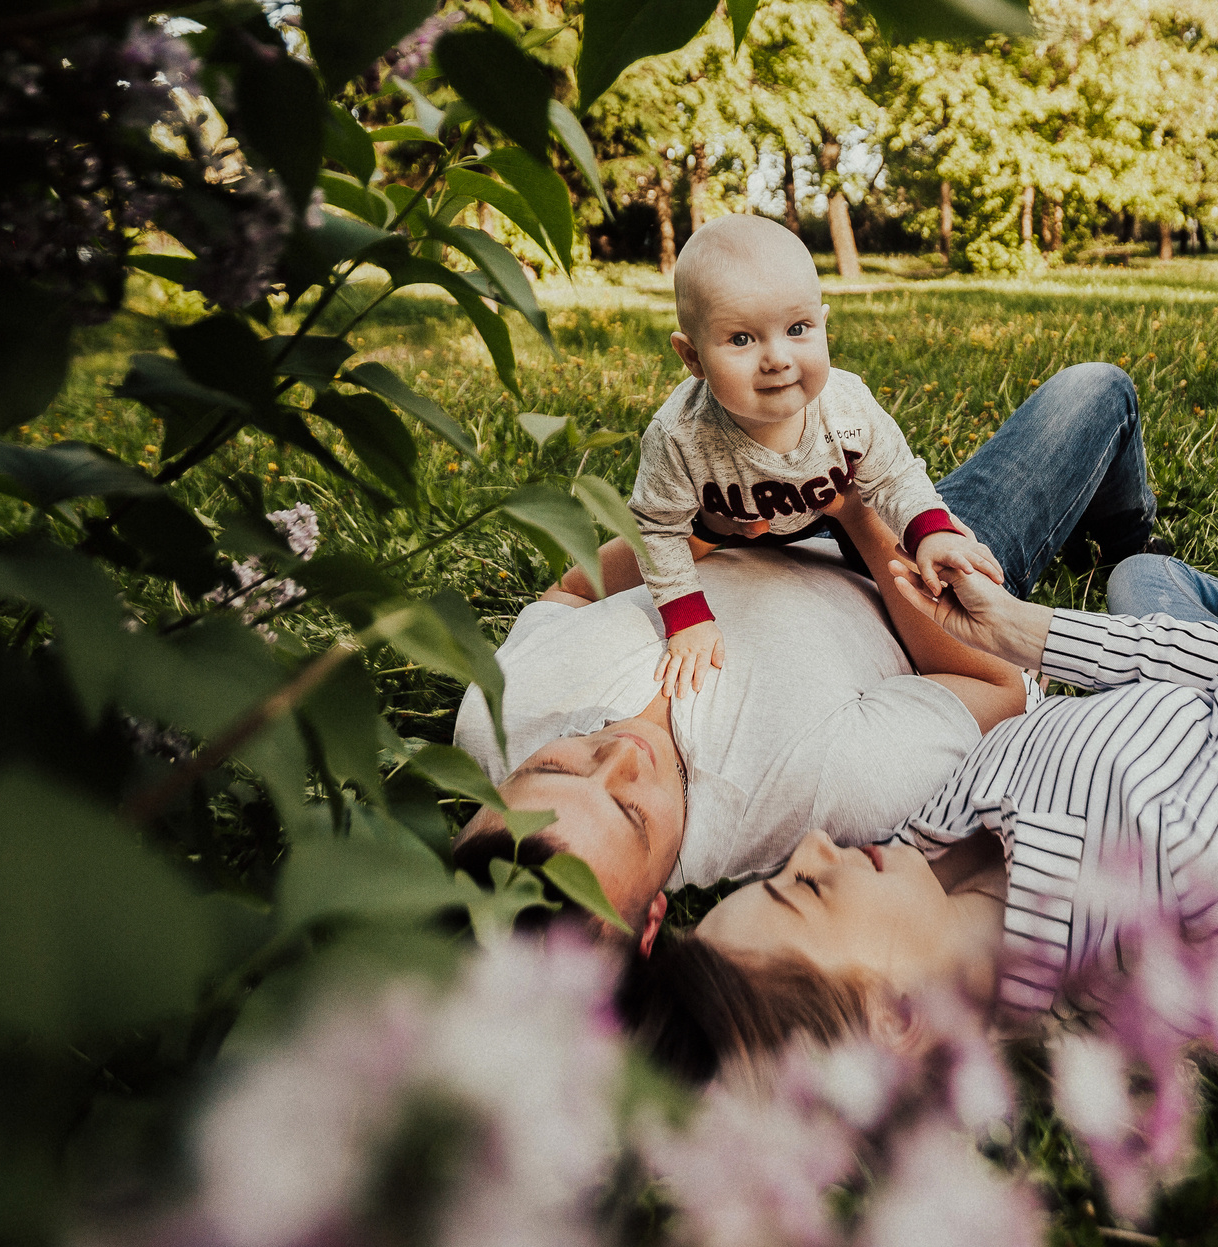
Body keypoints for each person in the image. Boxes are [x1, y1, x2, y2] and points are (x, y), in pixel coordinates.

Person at [617, 493, 1218, 1080]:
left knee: (1143, 572)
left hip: (1193, 678)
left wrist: (1002, 626)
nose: (816, 846)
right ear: (896, 1015)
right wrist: (1030, 635)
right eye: (807, 886)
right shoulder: (1203, 896)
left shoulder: (928, 845)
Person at [449, 362, 1163, 952]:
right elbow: (997, 680)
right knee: (1093, 390)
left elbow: (571, 592)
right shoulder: (816, 790)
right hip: (908, 580)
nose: (622, 752)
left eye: (555, 764)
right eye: (631, 811)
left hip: (746, 516)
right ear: (653, 918)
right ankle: (1129, 536)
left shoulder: (491, 718)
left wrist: (706, 533)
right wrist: (853, 510)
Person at [592, 215, 1001, 699]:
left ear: (824, 325)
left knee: (917, 581)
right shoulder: (680, 435)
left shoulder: (846, 406)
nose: (778, 358)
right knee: (611, 570)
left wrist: (930, 530)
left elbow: (894, 476)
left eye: (798, 328)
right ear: (693, 358)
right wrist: (687, 619)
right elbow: (658, 528)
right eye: (742, 339)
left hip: (838, 511)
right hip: (731, 526)